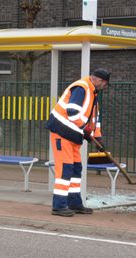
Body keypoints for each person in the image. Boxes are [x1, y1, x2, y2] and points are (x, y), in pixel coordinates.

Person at [46, 68, 110, 217]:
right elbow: (72, 112)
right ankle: (59, 206)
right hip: (62, 132)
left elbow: (95, 119)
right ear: (100, 81)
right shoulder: (82, 88)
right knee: (65, 169)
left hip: (73, 135)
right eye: (106, 84)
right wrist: (86, 129)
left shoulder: (93, 93)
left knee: (76, 169)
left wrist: (97, 137)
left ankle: (74, 203)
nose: (105, 87)